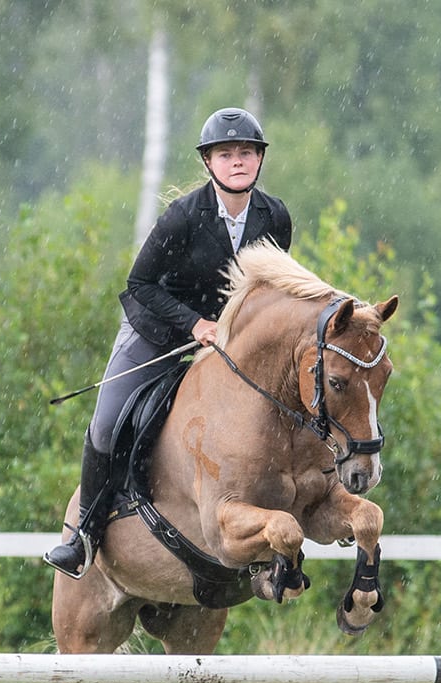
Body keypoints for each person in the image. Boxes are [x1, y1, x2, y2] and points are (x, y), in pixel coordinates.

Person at [45, 107, 293, 577]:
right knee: (105, 424)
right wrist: (195, 324)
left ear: (259, 160)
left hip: (229, 341)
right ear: (208, 164)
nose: (237, 161)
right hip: (157, 330)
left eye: (246, 152)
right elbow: (139, 286)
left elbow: (273, 290)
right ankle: (87, 535)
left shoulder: (274, 217)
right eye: (226, 154)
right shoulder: (182, 217)